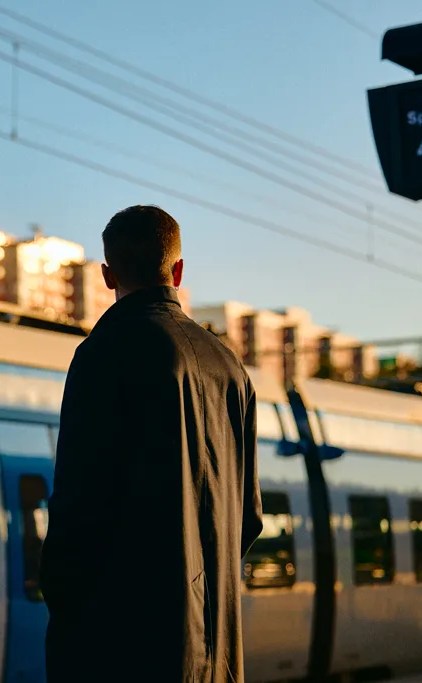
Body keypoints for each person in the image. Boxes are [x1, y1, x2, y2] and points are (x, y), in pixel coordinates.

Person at [39, 205, 264, 683]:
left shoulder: (103, 355)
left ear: (107, 274)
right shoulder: (230, 368)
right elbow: (248, 519)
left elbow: (79, 511)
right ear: (178, 270)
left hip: (128, 650)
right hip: (217, 656)